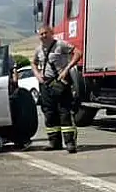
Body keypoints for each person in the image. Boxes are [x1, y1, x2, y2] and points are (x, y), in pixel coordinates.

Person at [30, 25, 83, 153]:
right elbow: (33, 62)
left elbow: (78, 53)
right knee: (49, 113)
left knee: (64, 112)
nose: (43, 36)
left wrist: (66, 69)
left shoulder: (61, 45)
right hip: (46, 85)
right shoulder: (39, 49)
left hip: (61, 83)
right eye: (41, 34)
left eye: (45, 33)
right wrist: (37, 74)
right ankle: (54, 142)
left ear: (51, 33)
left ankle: (70, 143)